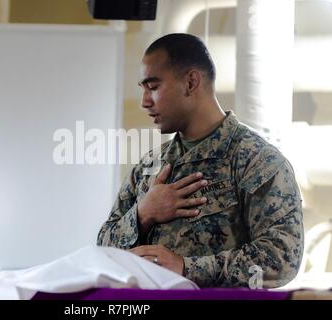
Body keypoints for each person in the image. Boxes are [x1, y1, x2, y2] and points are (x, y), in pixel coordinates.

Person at [97, 33, 304, 288]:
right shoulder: (149, 166)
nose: (144, 102)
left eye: (153, 87)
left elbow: (281, 259)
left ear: (191, 82)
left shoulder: (256, 161)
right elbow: (102, 251)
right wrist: (143, 214)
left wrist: (188, 268)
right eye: (143, 90)